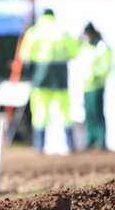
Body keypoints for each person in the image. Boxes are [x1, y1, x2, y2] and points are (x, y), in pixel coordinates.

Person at [19, 9, 78, 154]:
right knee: (64, 112)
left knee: (39, 112)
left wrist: (31, 73)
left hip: (40, 77)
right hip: (60, 77)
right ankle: (70, 146)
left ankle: (39, 147)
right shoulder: (61, 31)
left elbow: (25, 56)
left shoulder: (33, 32)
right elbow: (73, 52)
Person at [77, 22, 112, 150]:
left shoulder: (101, 46)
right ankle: (90, 141)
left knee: (97, 113)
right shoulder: (86, 47)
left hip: (97, 85)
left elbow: (106, 64)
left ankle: (101, 142)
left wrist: (98, 75)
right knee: (89, 114)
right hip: (87, 86)